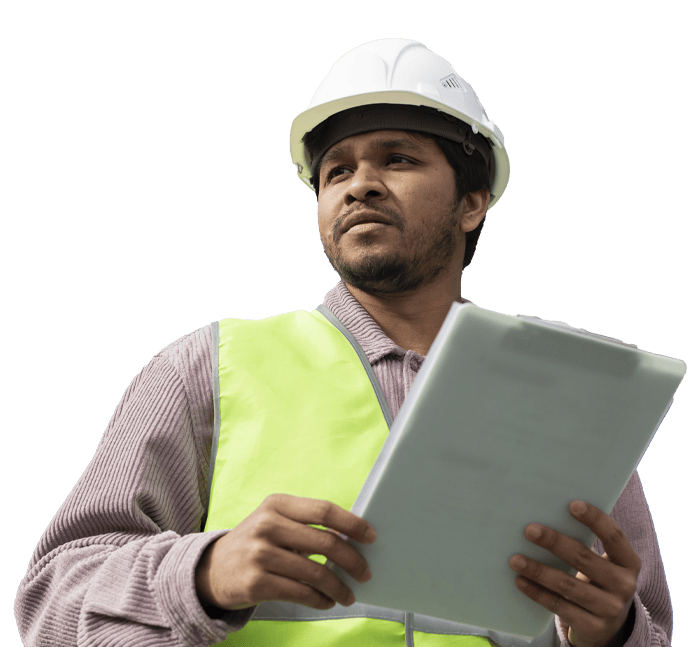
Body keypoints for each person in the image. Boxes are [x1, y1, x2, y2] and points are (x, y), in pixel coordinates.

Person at [14, 39, 672, 647]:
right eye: (336, 172)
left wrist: (612, 630)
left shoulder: (576, 388)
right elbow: (49, 600)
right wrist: (204, 572)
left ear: (472, 202)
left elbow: (646, 625)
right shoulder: (207, 369)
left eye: (398, 158)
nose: (359, 183)